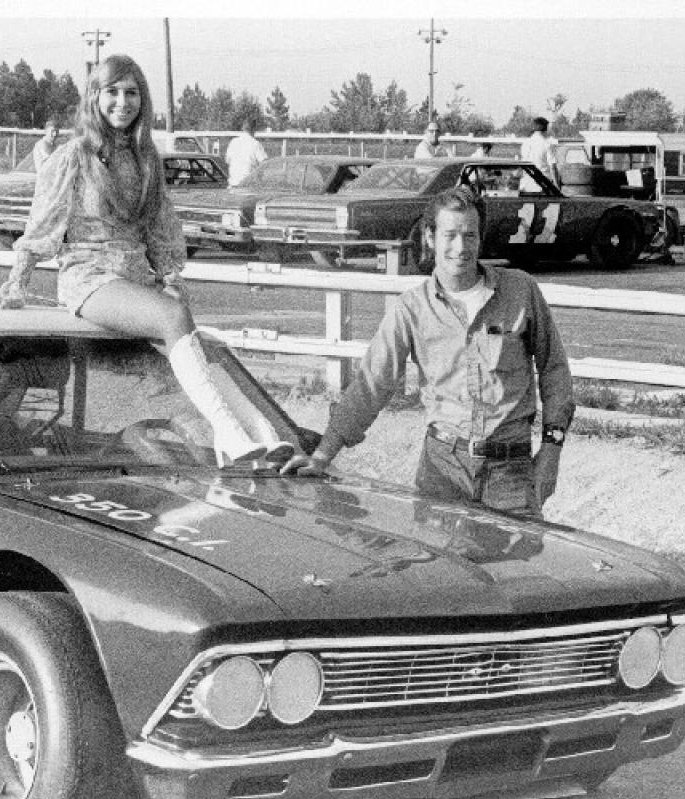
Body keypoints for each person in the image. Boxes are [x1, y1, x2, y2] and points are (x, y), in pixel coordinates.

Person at [0, 54, 292, 467]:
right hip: (89, 277)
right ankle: (229, 434)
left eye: (132, 93)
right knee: (175, 318)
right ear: (94, 98)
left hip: (137, 276)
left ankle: (263, 436)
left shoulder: (146, 157)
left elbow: (158, 225)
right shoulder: (72, 155)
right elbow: (42, 223)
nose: (123, 102)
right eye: (113, 92)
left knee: (201, 346)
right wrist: (17, 284)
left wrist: (170, 277)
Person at [281, 187, 576, 516]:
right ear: (430, 237)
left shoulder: (520, 290)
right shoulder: (411, 308)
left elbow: (555, 371)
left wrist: (551, 451)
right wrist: (322, 456)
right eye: (450, 235)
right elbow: (371, 385)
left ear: (480, 238)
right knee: (434, 552)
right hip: (442, 471)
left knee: (521, 552)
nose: (460, 247)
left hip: (511, 474)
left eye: (470, 235)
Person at [225, 116, 268, 187]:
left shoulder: (233, 142)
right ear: (254, 128)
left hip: (233, 186)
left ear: (243, 128)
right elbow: (265, 164)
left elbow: (227, 161)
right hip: (248, 187)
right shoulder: (255, 144)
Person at [520, 117, 560, 187]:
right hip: (543, 185)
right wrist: (557, 187)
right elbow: (553, 167)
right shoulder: (547, 144)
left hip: (526, 184)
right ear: (546, 129)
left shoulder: (525, 143)